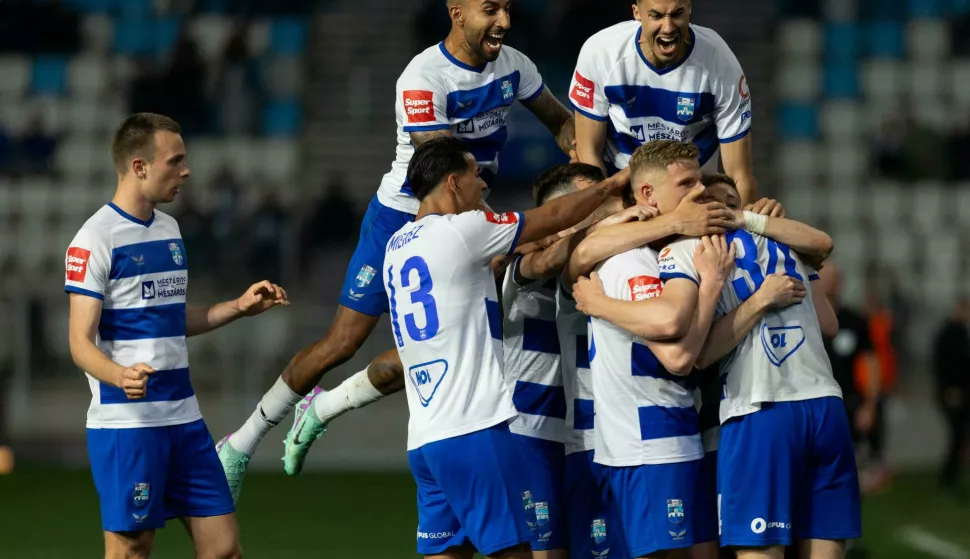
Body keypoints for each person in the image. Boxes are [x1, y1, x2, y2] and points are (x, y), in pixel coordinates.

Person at [217, 0, 579, 494]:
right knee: (341, 343)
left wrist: (589, 159)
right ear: (457, 12)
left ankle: (324, 407)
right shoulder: (423, 76)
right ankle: (241, 443)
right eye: (490, 10)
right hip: (404, 220)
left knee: (442, 350)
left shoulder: (515, 66)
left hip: (465, 219)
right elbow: (445, 170)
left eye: (508, 9)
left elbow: (562, 123)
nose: (505, 22)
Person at [385, 137, 628, 558]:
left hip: (425, 438)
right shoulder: (462, 232)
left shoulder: (396, 246)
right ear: (452, 183)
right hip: (475, 427)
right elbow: (551, 216)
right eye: (475, 175)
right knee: (514, 552)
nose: (483, 186)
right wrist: (614, 184)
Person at [64, 113, 289, 559]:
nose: (186, 171)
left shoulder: (169, 229)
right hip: (128, 424)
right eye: (176, 161)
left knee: (224, 548)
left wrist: (238, 307)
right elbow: (78, 341)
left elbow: (170, 317)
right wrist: (117, 375)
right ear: (139, 166)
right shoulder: (94, 239)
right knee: (131, 550)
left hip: (184, 418)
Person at [645, 174, 859, 559]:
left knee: (760, 550)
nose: (726, 208)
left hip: (761, 408)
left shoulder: (686, 251)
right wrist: (763, 297)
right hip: (822, 403)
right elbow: (829, 321)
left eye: (732, 201)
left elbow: (702, 352)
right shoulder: (784, 240)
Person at [569, 0, 757, 204]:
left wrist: (748, 231)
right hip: (622, 191)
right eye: (656, 16)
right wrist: (609, 215)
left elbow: (740, 176)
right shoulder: (600, 52)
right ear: (637, 13)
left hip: (694, 195)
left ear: (689, 10)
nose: (668, 28)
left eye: (677, 14)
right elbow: (588, 153)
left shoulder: (720, 61)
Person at [932, 299, 970, 496]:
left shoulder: (962, 332)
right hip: (952, 392)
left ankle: (952, 478)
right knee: (957, 435)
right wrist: (949, 389)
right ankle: (948, 478)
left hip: (962, 392)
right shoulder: (949, 333)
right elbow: (943, 364)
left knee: (961, 436)